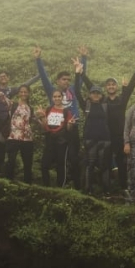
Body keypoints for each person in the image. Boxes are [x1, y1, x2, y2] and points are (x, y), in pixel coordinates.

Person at [81, 55, 135, 195]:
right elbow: (91, 87)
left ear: (116, 87)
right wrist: (81, 74)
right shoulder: (102, 101)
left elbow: (131, 87)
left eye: (113, 84)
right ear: (105, 88)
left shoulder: (122, 99)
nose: (111, 86)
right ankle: (106, 189)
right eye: (108, 85)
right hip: (105, 137)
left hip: (120, 136)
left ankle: (124, 187)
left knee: (122, 162)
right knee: (104, 163)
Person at [33, 45, 85, 190]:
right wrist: (38, 59)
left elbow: (80, 76)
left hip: (72, 128)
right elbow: (44, 77)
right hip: (54, 129)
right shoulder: (52, 91)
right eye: (63, 79)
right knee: (54, 159)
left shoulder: (73, 90)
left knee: (73, 158)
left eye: (68, 79)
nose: (66, 82)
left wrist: (83, 59)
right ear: (57, 81)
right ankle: (53, 186)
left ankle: (76, 187)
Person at [0, 69, 39, 176]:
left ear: (8, 78)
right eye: (1, 76)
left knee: (1, 144)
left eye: (5, 76)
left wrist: (39, 75)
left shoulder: (11, 90)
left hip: (2, 120)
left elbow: (26, 84)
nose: (3, 77)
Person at [74, 58, 112, 196]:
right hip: (90, 140)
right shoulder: (86, 105)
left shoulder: (106, 105)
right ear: (90, 95)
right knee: (90, 164)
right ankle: (88, 190)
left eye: (98, 93)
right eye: (93, 93)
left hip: (104, 140)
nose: (95, 95)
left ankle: (106, 191)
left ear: (101, 95)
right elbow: (77, 91)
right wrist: (77, 74)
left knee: (104, 165)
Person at [37, 89, 76, 187]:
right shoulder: (48, 109)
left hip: (62, 141)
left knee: (61, 165)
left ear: (62, 98)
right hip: (50, 140)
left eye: (59, 96)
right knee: (44, 164)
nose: (57, 98)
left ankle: (60, 187)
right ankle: (46, 186)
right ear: (52, 98)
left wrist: (70, 124)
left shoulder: (66, 111)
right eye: (55, 97)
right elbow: (44, 127)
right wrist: (42, 117)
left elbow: (69, 129)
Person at [4, 85, 36, 184]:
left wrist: (41, 117)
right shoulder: (13, 104)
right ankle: (8, 182)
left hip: (27, 137)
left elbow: (31, 121)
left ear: (28, 93)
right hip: (13, 136)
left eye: (25, 92)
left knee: (28, 162)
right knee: (11, 160)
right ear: (18, 93)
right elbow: (1, 96)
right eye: (21, 92)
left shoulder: (30, 108)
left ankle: (27, 184)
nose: (23, 94)